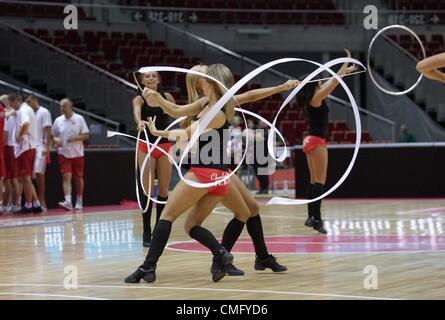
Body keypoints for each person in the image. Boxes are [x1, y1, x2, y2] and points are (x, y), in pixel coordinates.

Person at [136, 64, 297, 277]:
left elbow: (186, 132)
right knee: (245, 212)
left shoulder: (217, 108)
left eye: (205, 74)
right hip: (219, 171)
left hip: (209, 170)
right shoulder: (207, 103)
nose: (202, 77)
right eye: (200, 74)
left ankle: (219, 257)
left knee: (175, 216)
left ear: (210, 82)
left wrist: (158, 131)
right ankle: (227, 258)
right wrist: (158, 98)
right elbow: (175, 111)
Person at [298, 49, 357, 234]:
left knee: (314, 181)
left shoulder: (314, 99)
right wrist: (343, 65)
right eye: (319, 81)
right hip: (316, 140)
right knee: (320, 182)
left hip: (310, 139)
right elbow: (333, 83)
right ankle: (317, 218)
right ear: (315, 84)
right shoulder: (316, 98)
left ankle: (311, 217)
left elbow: (331, 84)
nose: (322, 82)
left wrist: (343, 71)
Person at [132, 71, 176, 247]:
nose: (150, 79)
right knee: (148, 191)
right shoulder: (139, 99)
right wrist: (139, 122)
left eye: (153, 76)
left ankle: (160, 231)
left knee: (164, 190)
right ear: (142, 81)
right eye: (147, 77)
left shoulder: (167, 96)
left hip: (165, 146)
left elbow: (176, 112)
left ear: (158, 80)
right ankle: (146, 232)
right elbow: (137, 113)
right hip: (146, 146)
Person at [52, 98, 89, 211]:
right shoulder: (58, 120)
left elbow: (86, 134)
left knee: (78, 178)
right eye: (61, 106)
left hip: (77, 153)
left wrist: (75, 138)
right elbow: (53, 135)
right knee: (66, 176)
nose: (62, 108)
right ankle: (68, 201)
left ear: (71, 106)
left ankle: (79, 200)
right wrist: (56, 140)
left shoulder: (79, 119)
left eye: (64, 106)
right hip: (63, 153)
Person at [12, 94, 42, 214]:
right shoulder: (28, 109)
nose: (12, 107)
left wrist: (18, 136)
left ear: (17, 101)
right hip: (28, 147)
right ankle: (36, 203)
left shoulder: (23, 110)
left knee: (25, 178)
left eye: (12, 103)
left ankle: (28, 205)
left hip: (25, 148)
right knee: (27, 178)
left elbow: (25, 124)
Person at [27, 95, 52, 211]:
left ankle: (42, 201)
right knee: (29, 176)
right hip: (31, 146)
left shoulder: (44, 112)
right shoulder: (29, 113)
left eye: (29, 101)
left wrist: (47, 147)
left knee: (38, 173)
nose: (28, 103)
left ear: (35, 100)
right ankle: (34, 202)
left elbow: (48, 130)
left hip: (41, 147)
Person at [2, 95, 20, 213]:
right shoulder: (12, 113)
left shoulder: (8, 115)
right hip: (11, 147)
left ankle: (13, 204)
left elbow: (5, 134)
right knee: (9, 179)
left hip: (8, 147)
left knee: (10, 179)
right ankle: (10, 204)